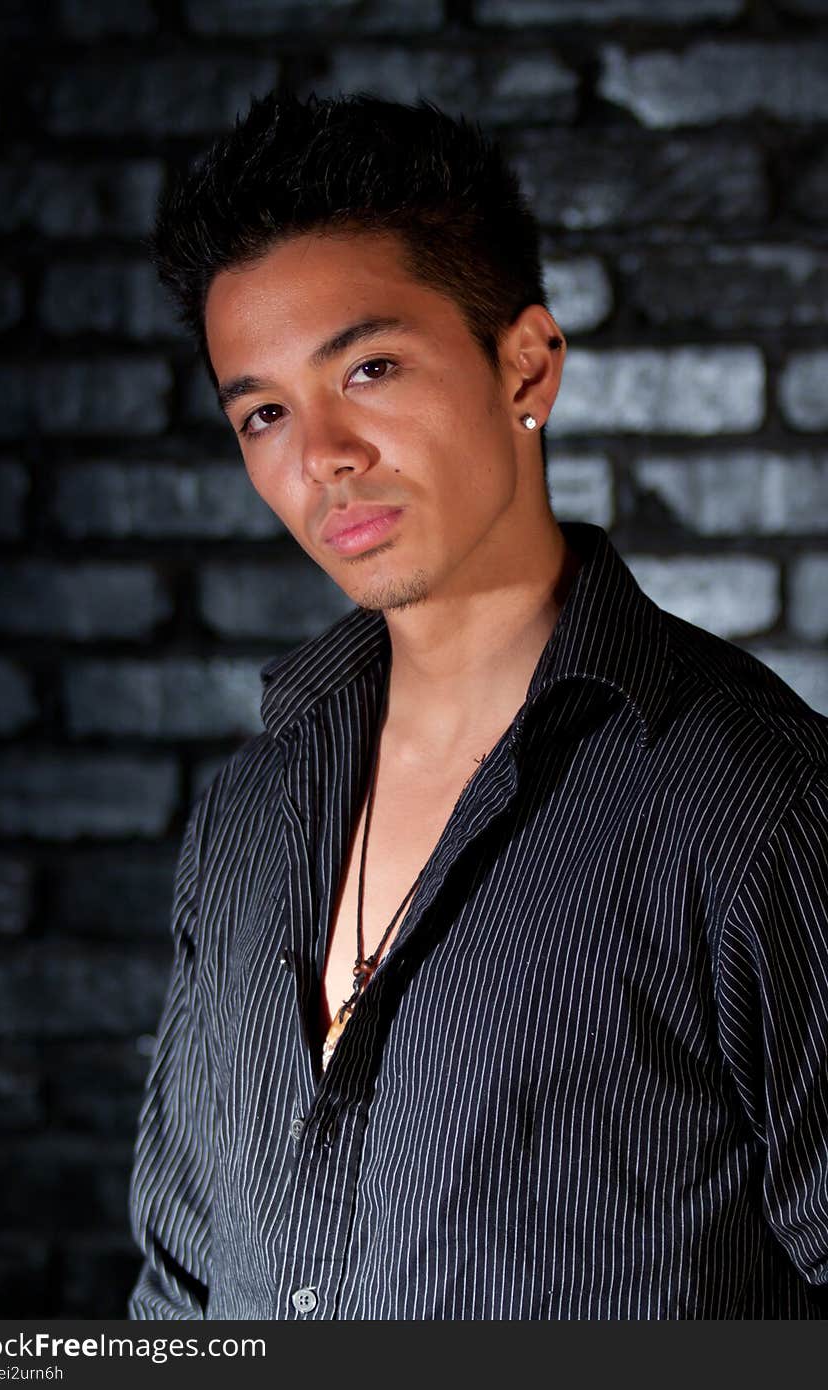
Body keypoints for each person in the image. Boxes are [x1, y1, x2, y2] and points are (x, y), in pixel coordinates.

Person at [127, 91, 828, 1320]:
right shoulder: (245, 819)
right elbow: (179, 1298)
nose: (322, 454)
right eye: (265, 412)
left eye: (372, 367)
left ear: (526, 362)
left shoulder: (754, 802)